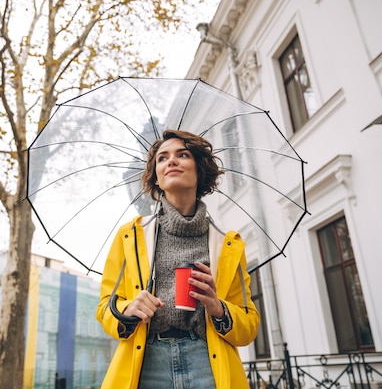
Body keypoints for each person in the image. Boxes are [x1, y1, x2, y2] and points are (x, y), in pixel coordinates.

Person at [96, 129, 260, 389]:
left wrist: (218, 309)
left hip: (207, 360)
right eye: (162, 158)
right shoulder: (130, 235)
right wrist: (127, 309)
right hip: (147, 361)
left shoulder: (228, 244)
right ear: (157, 179)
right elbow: (105, 307)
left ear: (199, 170)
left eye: (182, 155)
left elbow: (249, 325)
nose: (171, 161)